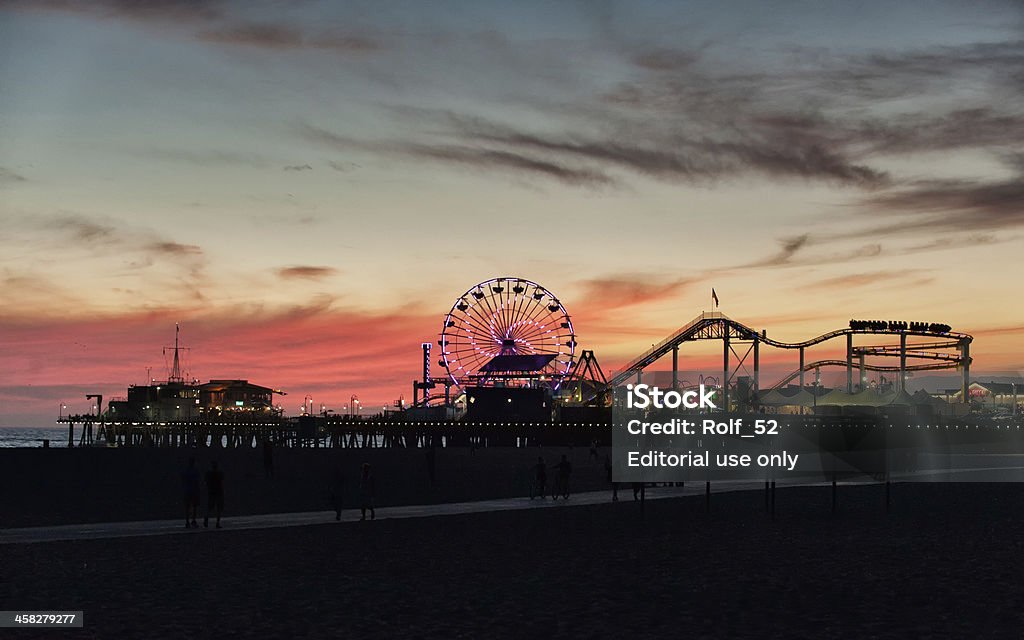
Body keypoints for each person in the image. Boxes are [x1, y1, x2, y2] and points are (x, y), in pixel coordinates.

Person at [204, 461, 225, 528]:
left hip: (212, 492)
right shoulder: (219, 474)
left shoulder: (209, 474)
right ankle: (217, 523)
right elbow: (221, 482)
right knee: (218, 508)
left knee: (210, 507)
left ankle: (206, 519)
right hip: (218, 492)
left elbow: (206, 482)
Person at [181, 457, 200, 528]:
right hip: (194, 490)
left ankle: (187, 521)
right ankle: (193, 520)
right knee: (194, 506)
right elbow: (197, 481)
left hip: (187, 490)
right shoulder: (195, 471)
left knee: (187, 507)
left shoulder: (186, 471)